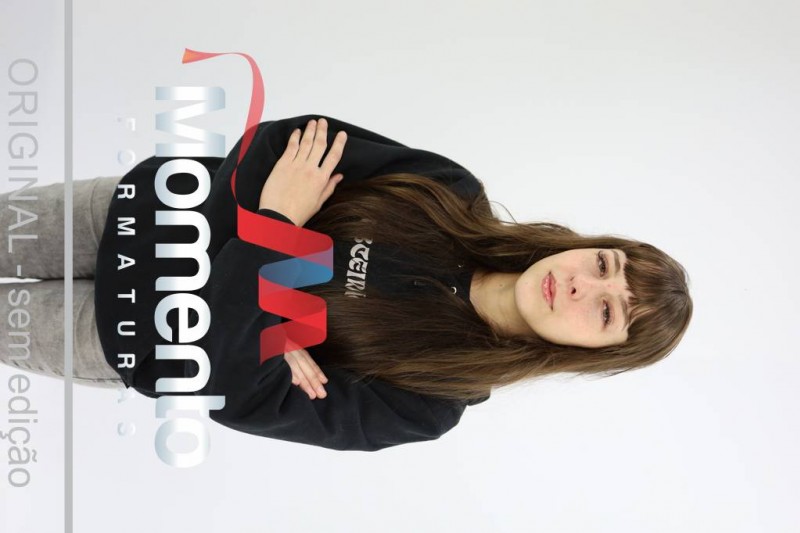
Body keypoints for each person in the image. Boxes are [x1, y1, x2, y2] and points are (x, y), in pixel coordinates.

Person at [0, 114, 693, 451]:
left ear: (590, 353)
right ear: (587, 246)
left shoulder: (429, 401)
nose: (580, 287)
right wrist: (270, 317)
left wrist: (281, 225)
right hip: (141, 212)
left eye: (606, 313)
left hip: (119, 333)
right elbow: (278, 146)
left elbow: (236, 394)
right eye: (603, 265)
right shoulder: (449, 191)